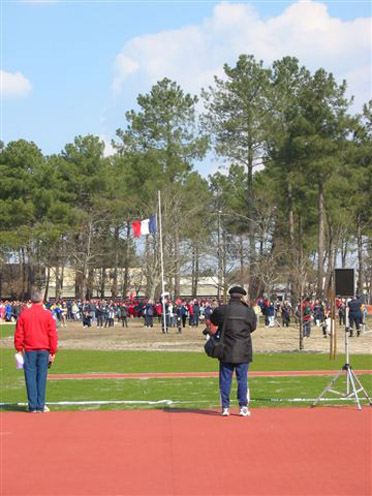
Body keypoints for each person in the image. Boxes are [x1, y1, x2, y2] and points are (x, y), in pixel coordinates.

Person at [207, 286, 257, 417]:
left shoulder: (222, 310)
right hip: (243, 350)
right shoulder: (248, 312)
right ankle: (243, 407)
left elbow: (213, 320)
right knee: (242, 379)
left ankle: (225, 407)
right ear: (242, 297)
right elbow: (252, 327)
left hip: (226, 349)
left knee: (225, 379)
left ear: (230, 296)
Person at [14, 289, 58, 413]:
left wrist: (18, 349)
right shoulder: (47, 314)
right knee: (41, 377)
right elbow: (52, 334)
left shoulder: (24, 314)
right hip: (43, 349)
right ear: (42, 299)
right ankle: (40, 404)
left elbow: (19, 333)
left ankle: (33, 405)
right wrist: (53, 351)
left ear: (31, 300)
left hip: (29, 350)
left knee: (30, 377)